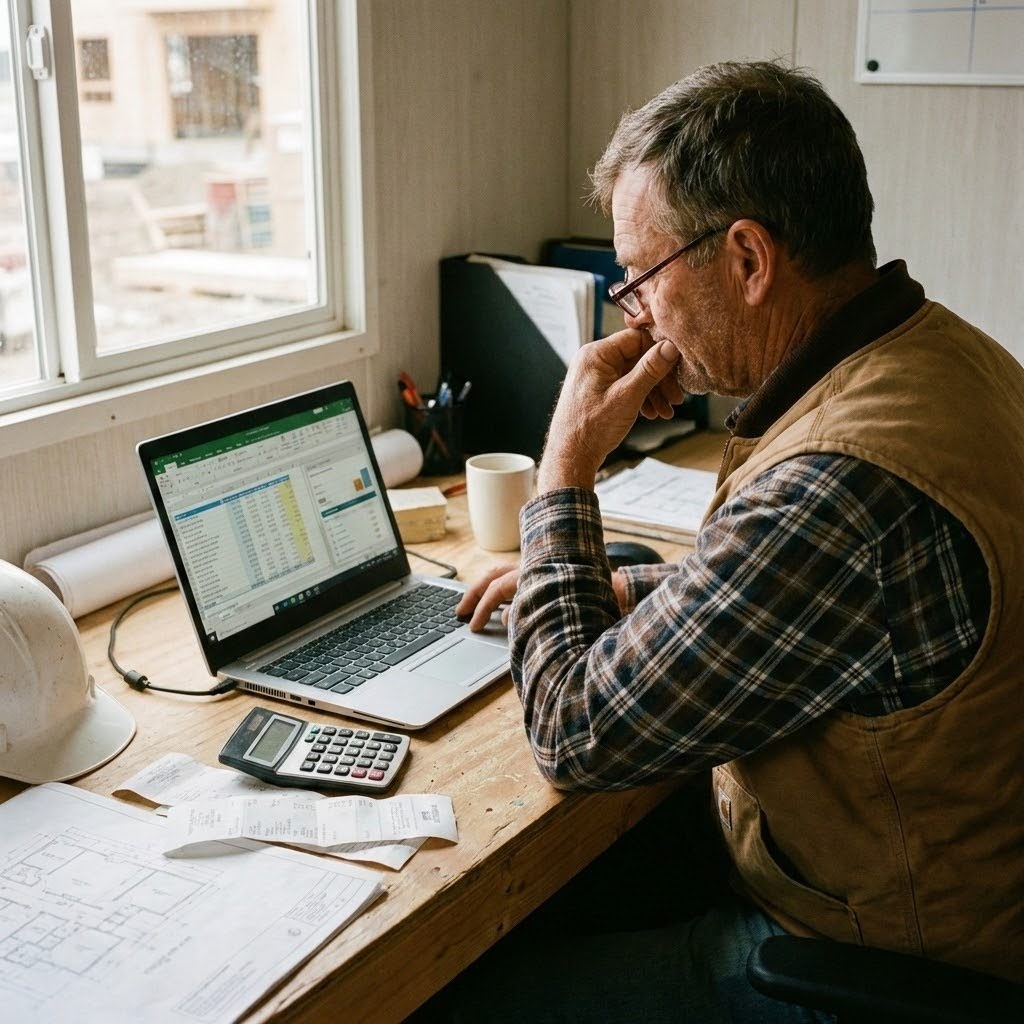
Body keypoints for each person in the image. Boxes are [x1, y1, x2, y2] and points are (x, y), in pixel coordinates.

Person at [426, 60, 1024, 1022]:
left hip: (879, 967)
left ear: (748, 259)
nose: (637, 311)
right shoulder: (941, 355)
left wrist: (566, 467)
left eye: (641, 278)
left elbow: (572, 734)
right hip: (977, 901)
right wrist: (632, 590)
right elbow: (831, 607)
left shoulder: (835, 489)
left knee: (451, 999)